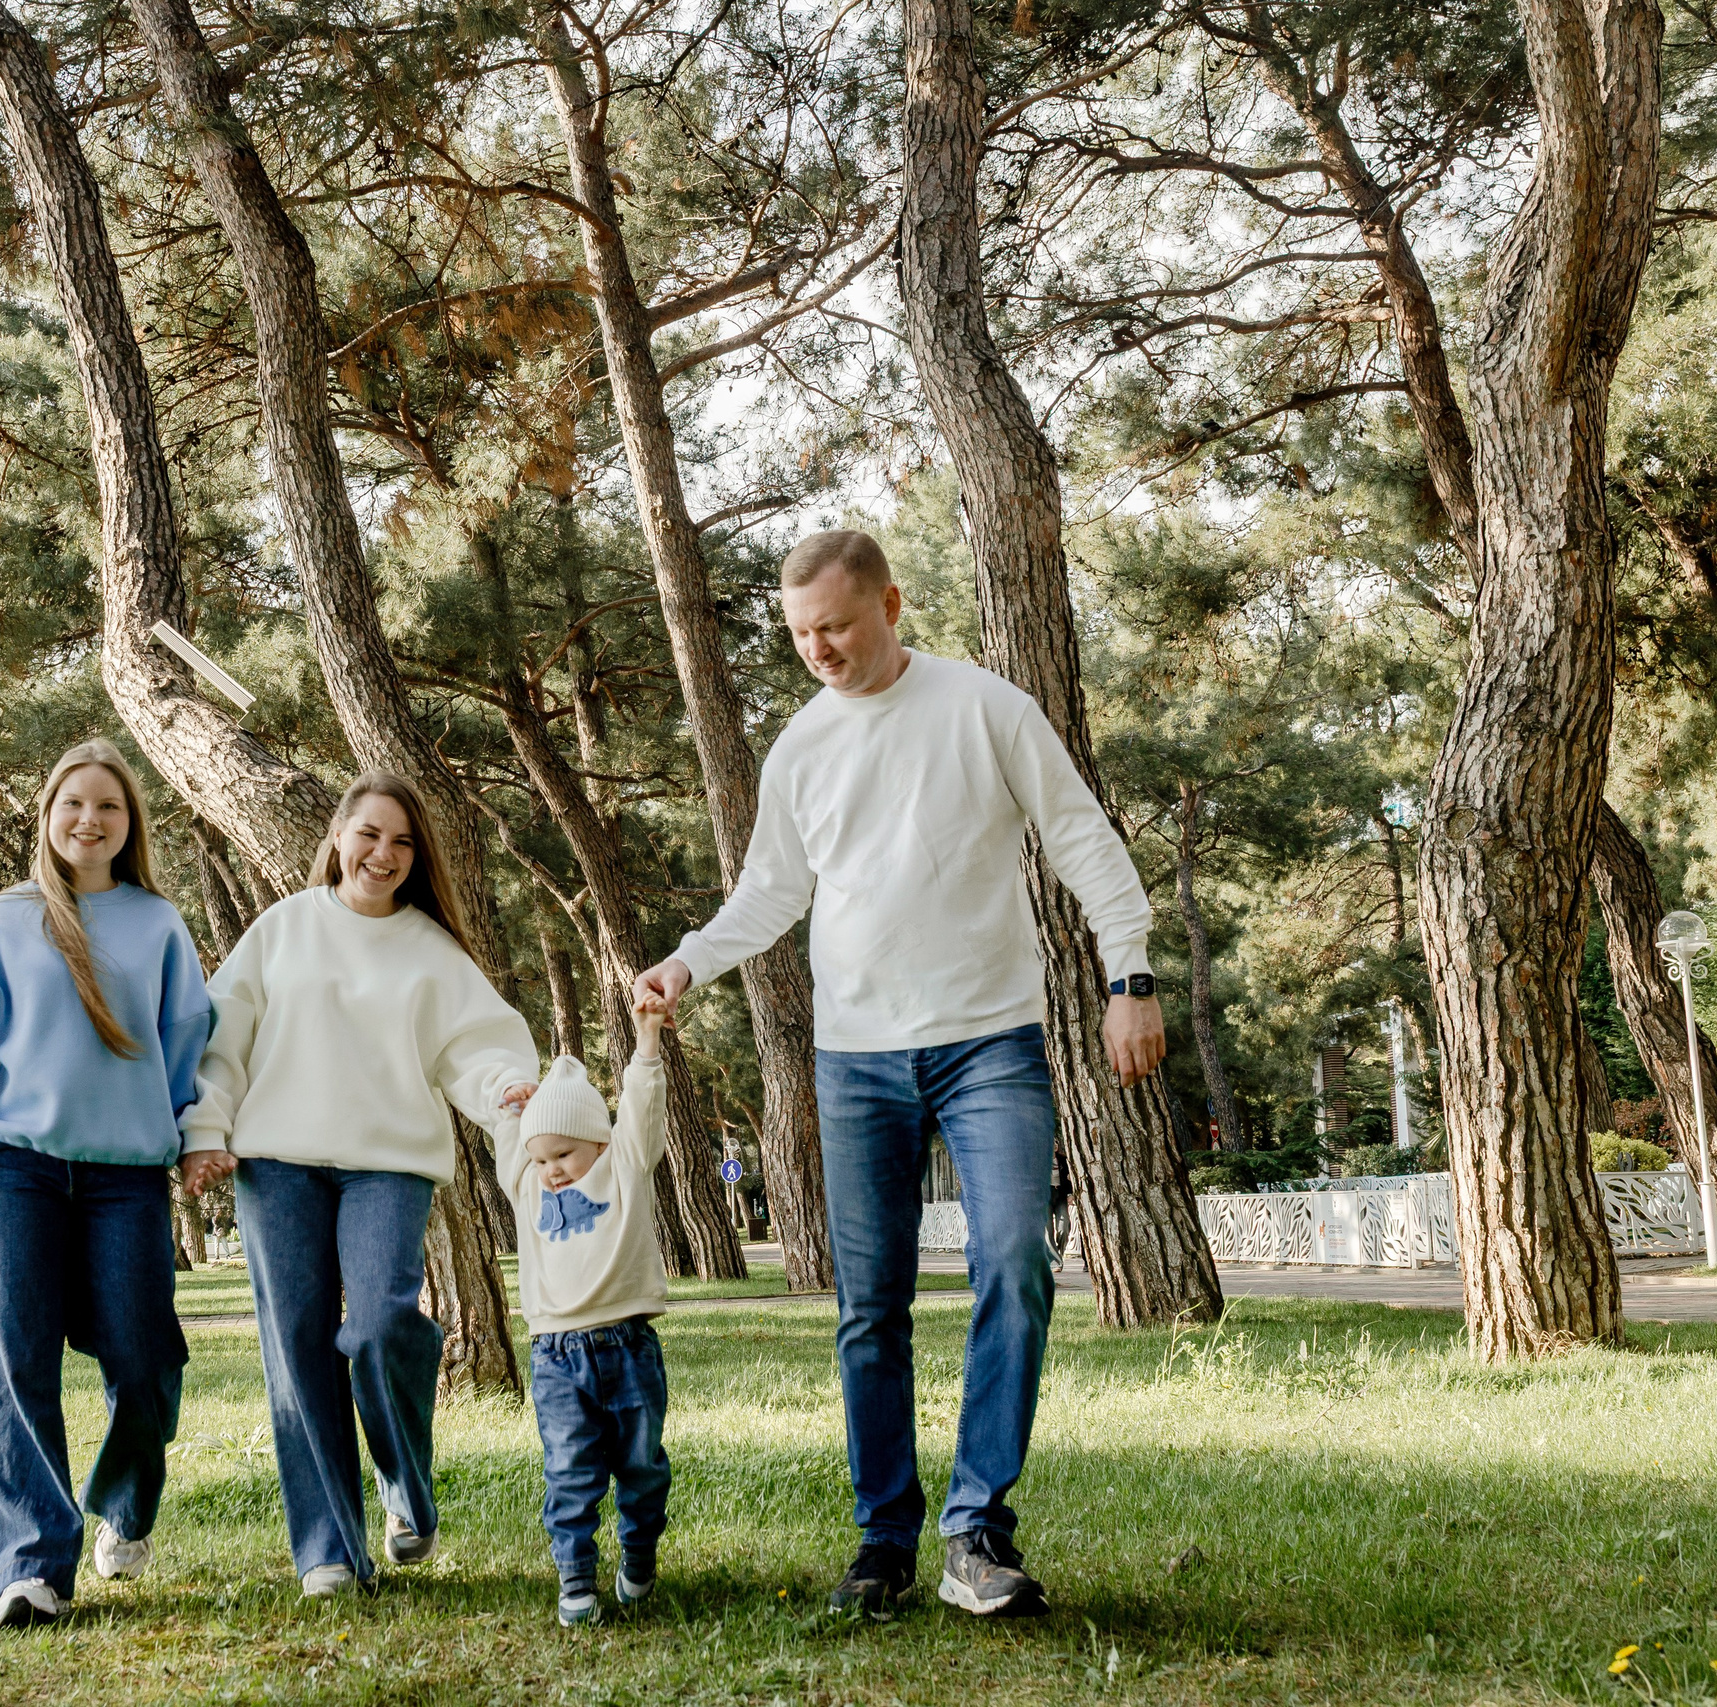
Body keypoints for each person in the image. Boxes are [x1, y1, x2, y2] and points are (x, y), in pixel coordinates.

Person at [634, 530, 1167, 1620]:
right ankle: (883, 1543)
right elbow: (773, 893)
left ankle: (977, 1533)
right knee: (868, 1311)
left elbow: (1081, 839)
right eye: (798, 634)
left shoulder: (985, 707)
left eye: (834, 624)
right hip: (855, 1060)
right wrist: (691, 958)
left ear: (887, 601)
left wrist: (1132, 974)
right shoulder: (799, 750)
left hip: (989, 1046)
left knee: (1013, 1259)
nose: (818, 648)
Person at [180, 773, 539, 1599]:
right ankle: (329, 1551)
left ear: (417, 858)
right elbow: (220, 1041)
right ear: (339, 836)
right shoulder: (281, 930)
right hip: (277, 1164)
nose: (385, 853)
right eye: (371, 834)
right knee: (297, 1347)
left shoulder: (430, 949)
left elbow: (479, 1049)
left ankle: (406, 1487)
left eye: (403, 842)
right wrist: (205, 1130)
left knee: (379, 1323)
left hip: (389, 1163)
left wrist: (511, 1089)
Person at [0, 738, 214, 1631]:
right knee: (18, 1362)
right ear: (49, 816)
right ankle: (32, 1568)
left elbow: (189, 1049)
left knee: (143, 1359)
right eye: (74, 803)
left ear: (129, 823)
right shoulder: (4, 920)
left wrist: (196, 1139)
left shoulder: (159, 925)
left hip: (127, 1180)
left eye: (109, 806)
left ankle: (128, 1502)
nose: (90, 820)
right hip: (18, 1172)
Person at [497, 999, 673, 1629]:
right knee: (570, 1473)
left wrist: (646, 1040)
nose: (550, 1172)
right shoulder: (527, 1186)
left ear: (600, 1143)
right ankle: (576, 1580)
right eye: (540, 1159)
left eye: (564, 1155)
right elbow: (510, 1144)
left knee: (643, 1468)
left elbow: (641, 1110)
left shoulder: (624, 1167)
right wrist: (515, 1108)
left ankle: (639, 1554)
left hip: (628, 1347)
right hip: (556, 1358)